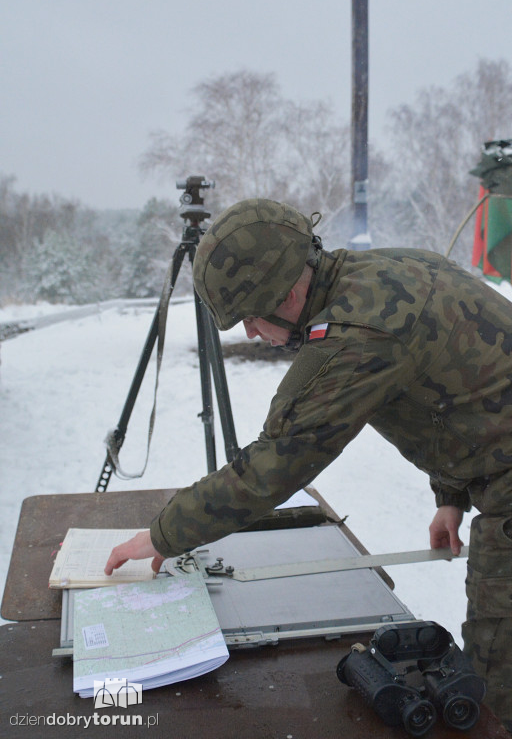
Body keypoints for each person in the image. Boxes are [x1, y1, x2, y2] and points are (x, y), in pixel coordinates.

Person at [105, 198, 512, 731]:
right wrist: (451, 495)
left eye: (251, 316)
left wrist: (163, 535)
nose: (251, 333)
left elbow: (275, 463)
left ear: (289, 294)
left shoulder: (354, 336)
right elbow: (457, 389)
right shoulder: (385, 270)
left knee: (491, 685)